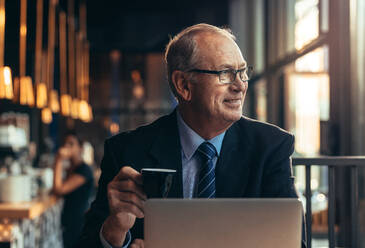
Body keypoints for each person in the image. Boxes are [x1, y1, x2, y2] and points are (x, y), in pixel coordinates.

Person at [77, 23, 306, 248]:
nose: (240, 86)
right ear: (183, 85)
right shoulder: (126, 151)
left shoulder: (270, 146)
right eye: (226, 73)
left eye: (242, 72)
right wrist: (115, 229)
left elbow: (295, 243)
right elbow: (87, 243)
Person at [52, 131, 94, 248]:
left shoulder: (84, 170)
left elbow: (58, 190)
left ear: (80, 148)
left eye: (71, 144)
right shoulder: (72, 169)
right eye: (65, 143)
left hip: (78, 223)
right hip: (70, 222)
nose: (66, 147)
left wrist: (59, 159)